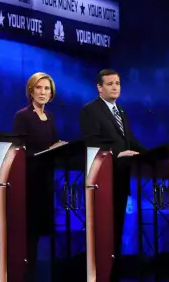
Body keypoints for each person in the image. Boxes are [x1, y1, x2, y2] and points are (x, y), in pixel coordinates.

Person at [78, 69, 146, 281]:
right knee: (102, 230)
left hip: (121, 179)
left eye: (117, 83)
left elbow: (131, 141)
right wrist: (117, 154)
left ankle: (113, 273)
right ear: (99, 87)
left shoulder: (122, 112)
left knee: (116, 229)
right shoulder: (90, 110)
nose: (115, 87)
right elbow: (92, 142)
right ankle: (99, 274)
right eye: (110, 84)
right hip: (102, 180)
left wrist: (151, 154)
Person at [12, 72, 66, 278]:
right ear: (31, 91)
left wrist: (58, 147)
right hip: (29, 181)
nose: (43, 92)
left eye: (47, 89)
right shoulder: (23, 116)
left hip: (46, 181)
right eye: (39, 88)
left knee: (44, 233)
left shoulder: (49, 116)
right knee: (30, 235)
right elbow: (19, 149)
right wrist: (46, 150)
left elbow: (52, 143)